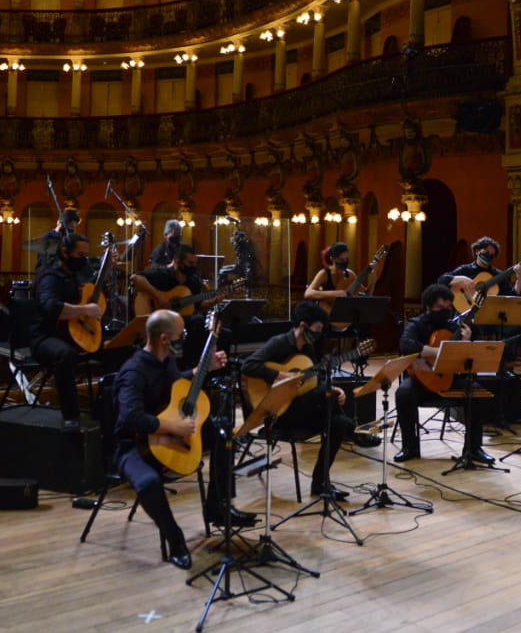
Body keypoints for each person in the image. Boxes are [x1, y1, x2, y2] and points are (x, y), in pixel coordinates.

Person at [113, 310, 250, 571]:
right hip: (133, 445)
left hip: (166, 437)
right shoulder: (133, 372)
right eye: (181, 334)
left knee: (224, 436)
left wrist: (204, 369)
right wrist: (172, 426)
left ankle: (217, 506)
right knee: (148, 483)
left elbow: (175, 385)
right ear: (164, 339)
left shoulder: (166, 361)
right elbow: (130, 417)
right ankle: (176, 542)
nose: (184, 339)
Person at [241, 302, 357, 500]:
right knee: (325, 396)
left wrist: (333, 388)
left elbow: (316, 380)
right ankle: (354, 430)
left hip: (301, 409)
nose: (319, 334)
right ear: (303, 325)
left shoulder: (308, 349)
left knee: (337, 421)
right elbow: (248, 365)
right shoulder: (279, 343)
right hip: (278, 413)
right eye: (317, 329)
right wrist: (281, 375)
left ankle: (320, 484)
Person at [393, 283, 495, 465]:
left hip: (450, 378)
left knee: (477, 393)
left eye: (448, 308)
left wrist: (465, 342)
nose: (445, 312)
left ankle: (473, 448)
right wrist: (437, 351)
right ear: (428, 306)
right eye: (440, 308)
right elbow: (405, 344)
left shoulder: (454, 326)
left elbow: (470, 356)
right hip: (421, 378)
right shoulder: (417, 324)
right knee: (403, 393)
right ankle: (410, 447)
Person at [29, 232, 102, 432]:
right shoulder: (49, 278)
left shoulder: (74, 275)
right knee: (65, 355)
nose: (84, 260)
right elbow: (51, 307)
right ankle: (71, 416)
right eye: (80, 255)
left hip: (70, 334)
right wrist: (84, 310)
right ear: (64, 252)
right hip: (44, 337)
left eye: (86, 255)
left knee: (116, 347)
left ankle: (106, 408)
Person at [131, 244, 216, 368]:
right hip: (156, 318)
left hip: (181, 320)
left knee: (200, 321)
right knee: (197, 320)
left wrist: (215, 300)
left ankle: (193, 366)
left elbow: (199, 305)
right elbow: (135, 278)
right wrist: (159, 297)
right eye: (190, 263)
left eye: (195, 263)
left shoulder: (192, 281)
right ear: (177, 261)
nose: (193, 266)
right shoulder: (160, 273)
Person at [35, 208, 80, 274]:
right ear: (61, 224)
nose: (71, 231)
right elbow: (45, 262)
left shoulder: (68, 240)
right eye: (70, 226)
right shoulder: (48, 238)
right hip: (47, 275)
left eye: (73, 228)